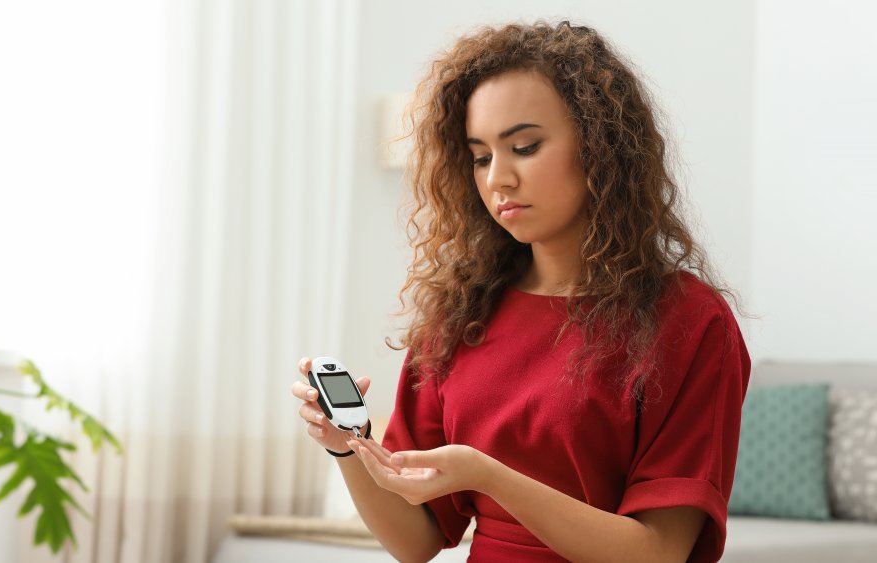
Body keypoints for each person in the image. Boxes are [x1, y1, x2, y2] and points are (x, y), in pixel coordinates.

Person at [292, 20, 750, 563]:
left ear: (600, 147)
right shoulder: (462, 312)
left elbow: (656, 554)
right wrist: (350, 447)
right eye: (481, 156)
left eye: (525, 147)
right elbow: (414, 541)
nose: (497, 179)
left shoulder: (690, 321)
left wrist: (489, 476)